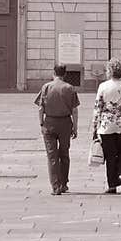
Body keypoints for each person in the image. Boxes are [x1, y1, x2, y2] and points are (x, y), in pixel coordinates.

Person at [92, 59, 121, 194]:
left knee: (110, 156)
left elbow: (98, 107)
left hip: (107, 126)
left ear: (109, 71)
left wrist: (95, 126)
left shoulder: (103, 86)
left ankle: (112, 185)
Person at [33, 64, 80, 195]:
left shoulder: (46, 87)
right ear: (65, 74)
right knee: (64, 154)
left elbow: (40, 108)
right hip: (65, 123)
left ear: (53, 73)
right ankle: (64, 183)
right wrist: (75, 127)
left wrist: (41, 123)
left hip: (49, 122)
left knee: (52, 156)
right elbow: (74, 110)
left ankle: (55, 186)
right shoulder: (70, 88)